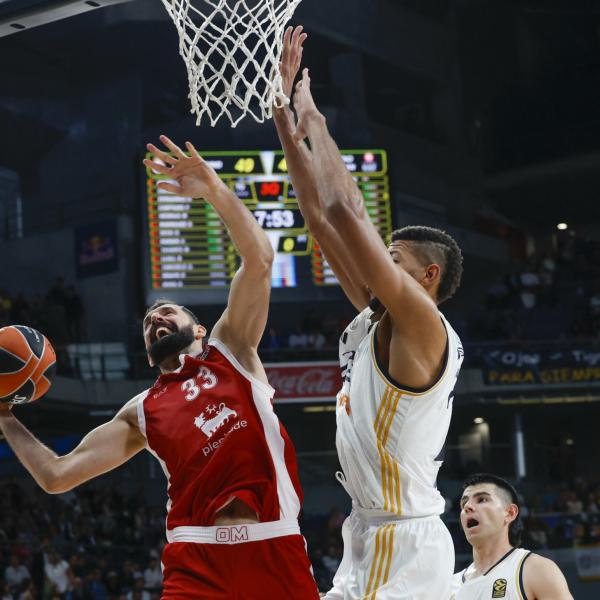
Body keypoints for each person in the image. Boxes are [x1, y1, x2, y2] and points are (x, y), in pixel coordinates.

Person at [0, 135, 320, 599]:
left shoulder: (233, 352)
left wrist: (214, 189)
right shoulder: (141, 410)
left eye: (167, 311)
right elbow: (56, 475)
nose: (154, 318)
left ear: (201, 328)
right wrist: (6, 417)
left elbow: (259, 258)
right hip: (195, 561)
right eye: (148, 321)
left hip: (273, 544)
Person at [273, 27, 465, 599]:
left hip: (403, 542)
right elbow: (318, 218)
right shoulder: (382, 319)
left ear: (426, 276)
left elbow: (343, 206)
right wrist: (284, 119)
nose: (380, 261)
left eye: (394, 257)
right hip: (371, 532)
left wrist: (316, 120)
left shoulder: (424, 324)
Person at [451, 473, 573, 600]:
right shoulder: (451, 585)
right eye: (464, 503)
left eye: (482, 499)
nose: (467, 507)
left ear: (510, 513)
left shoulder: (536, 569)